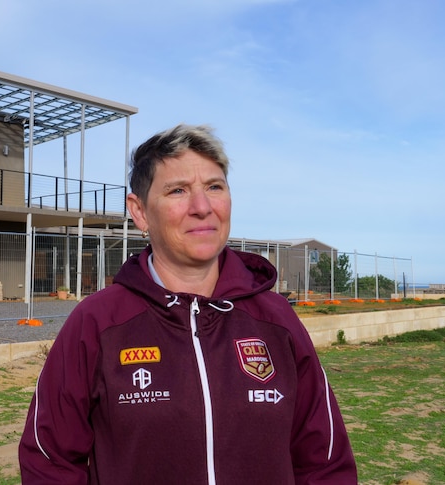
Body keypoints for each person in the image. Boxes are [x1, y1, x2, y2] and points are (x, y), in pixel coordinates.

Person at [18, 124, 357, 484]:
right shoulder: (98, 323)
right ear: (140, 212)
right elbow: (49, 459)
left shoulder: (276, 321)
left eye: (214, 187)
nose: (202, 207)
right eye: (177, 190)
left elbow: (324, 460)